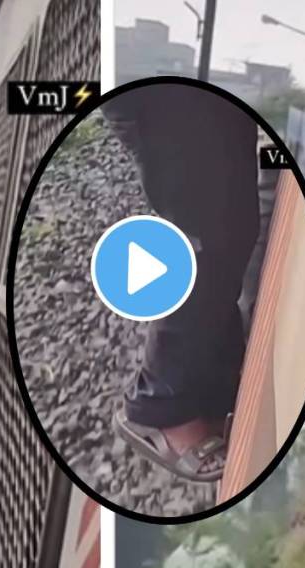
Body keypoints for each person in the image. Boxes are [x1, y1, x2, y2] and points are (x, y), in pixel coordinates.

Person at [102, 83, 260, 483]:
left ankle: (207, 391)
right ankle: (158, 410)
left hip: (201, 101)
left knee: (232, 231)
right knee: (203, 238)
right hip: (169, 100)